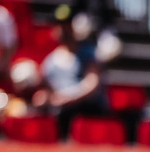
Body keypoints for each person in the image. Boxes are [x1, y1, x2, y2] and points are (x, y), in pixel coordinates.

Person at [33, 4, 109, 140]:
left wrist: (67, 99)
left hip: (87, 111)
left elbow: (92, 85)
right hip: (62, 113)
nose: (64, 30)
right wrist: (45, 98)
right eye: (60, 25)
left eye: (67, 25)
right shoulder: (49, 62)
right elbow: (48, 92)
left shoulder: (89, 53)